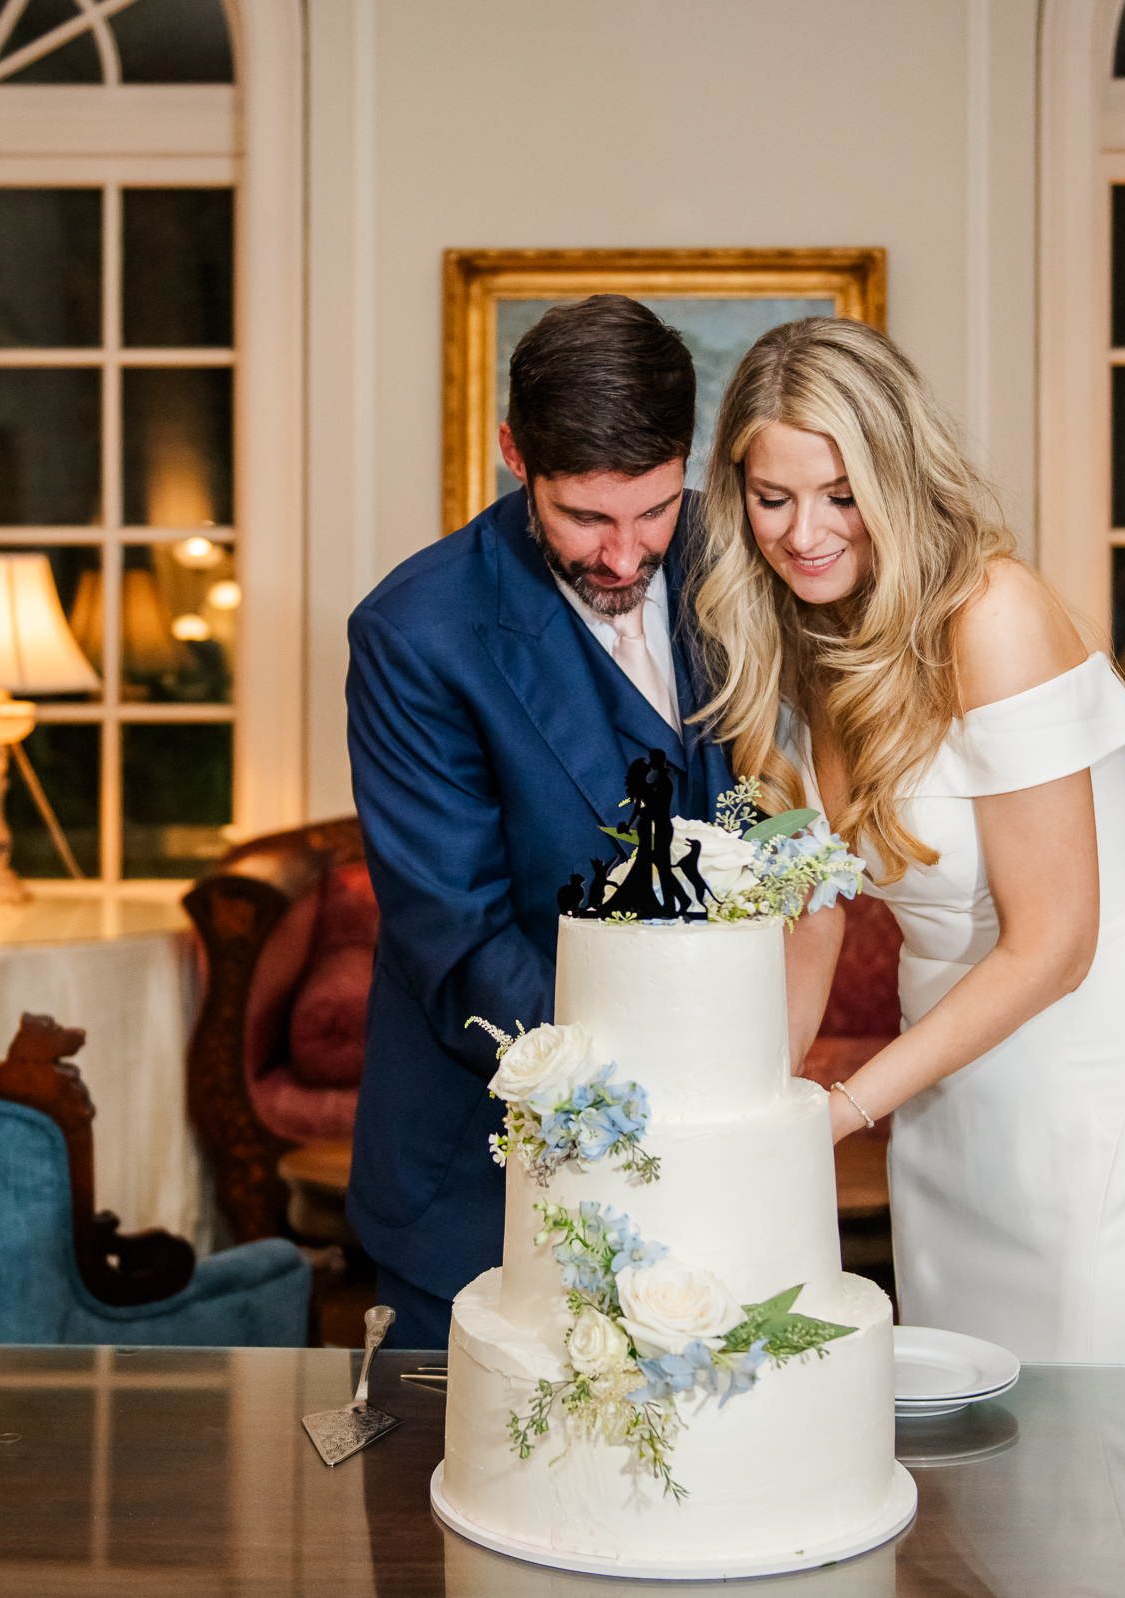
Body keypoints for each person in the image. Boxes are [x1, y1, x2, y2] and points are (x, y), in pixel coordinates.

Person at [692, 318, 1125, 1365]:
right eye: (774, 498)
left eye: (841, 494)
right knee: (978, 1445)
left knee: (1113, 1445)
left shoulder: (993, 614)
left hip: (1108, 1083)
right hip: (950, 1088)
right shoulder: (785, 644)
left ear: (896, 479)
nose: (805, 532)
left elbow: (1057, 944)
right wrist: (750, 1103)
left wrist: (845, 1108)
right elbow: (807, 917)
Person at [345, 296, 737, 1348]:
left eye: (651, 510)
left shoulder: (737, 558)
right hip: (480, 1178)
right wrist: (669, 1098)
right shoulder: (416, 633)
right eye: (584, 518)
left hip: (715, 1185)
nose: (623, 556)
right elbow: (460, 939)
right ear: (516, 455)